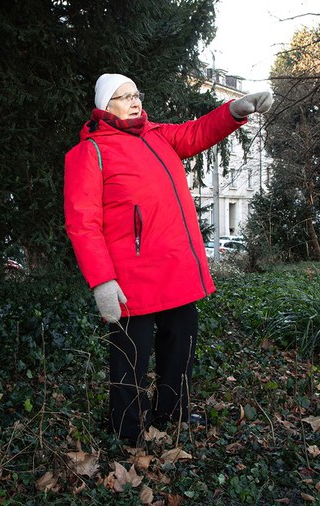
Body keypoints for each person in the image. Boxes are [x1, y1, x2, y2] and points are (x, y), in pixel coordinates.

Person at [63, 73, 272, 444]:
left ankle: (171, 413)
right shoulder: (89, 152)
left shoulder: (157, 134)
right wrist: (102, 281)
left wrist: (235, 110)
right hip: (131, 276)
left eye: (136, 93)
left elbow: (196, 133)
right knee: (130, 357)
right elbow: (82, 223)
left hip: (175, 267)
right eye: (124, 96)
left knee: (181, 345)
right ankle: (125, 430)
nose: (134, 101)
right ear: (103, 106)